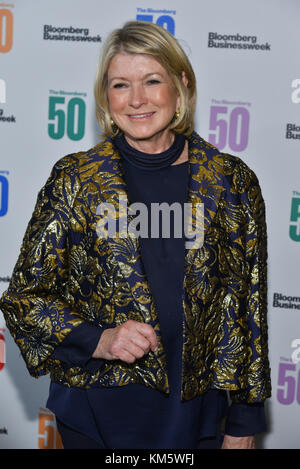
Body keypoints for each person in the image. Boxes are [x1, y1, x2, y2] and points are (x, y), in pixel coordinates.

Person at [0, 21, 271, 450]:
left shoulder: (230, 181)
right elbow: (25, 298)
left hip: (197, 414)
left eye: (152, 81)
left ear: (180, 85)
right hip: (96, 413)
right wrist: (99, 339)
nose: (137, 99)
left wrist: (244, 420)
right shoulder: (76, 181)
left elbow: (247, 307)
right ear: (106, 97)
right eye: (121, 85)